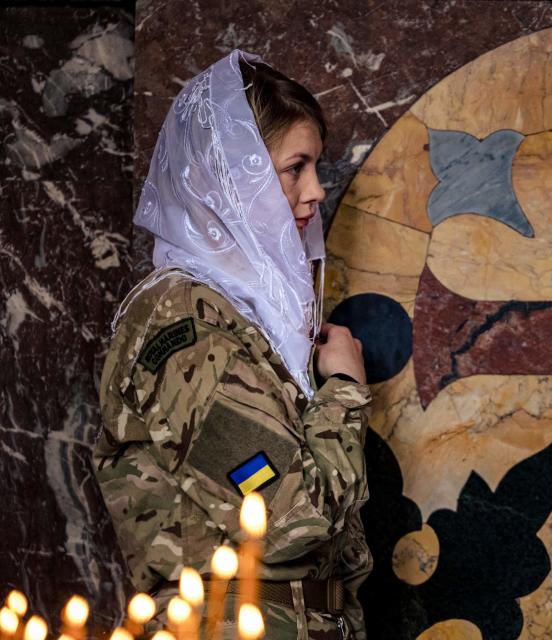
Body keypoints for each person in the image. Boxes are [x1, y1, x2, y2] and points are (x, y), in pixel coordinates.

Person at [92, 49, 372, 639]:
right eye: (296, 167)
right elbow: (292, 520)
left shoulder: (251, 316)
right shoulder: (183, 322)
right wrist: (344, 390)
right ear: (232, 176)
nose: (318, 190)